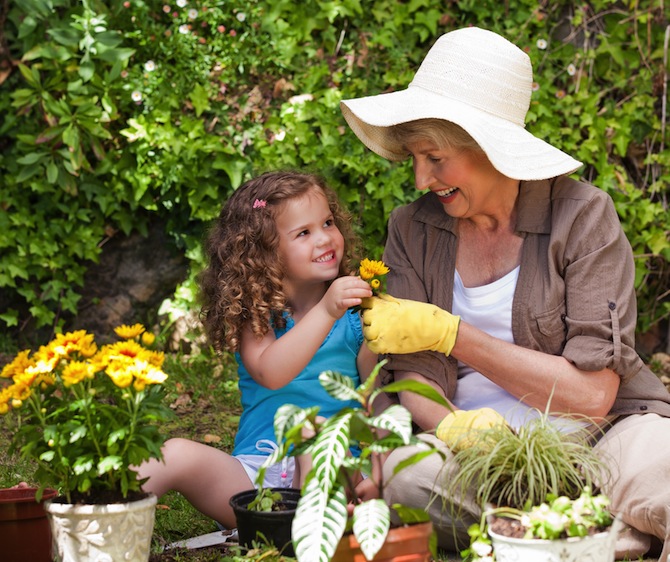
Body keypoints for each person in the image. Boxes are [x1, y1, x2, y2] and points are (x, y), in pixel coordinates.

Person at [339, 26, 670, 560]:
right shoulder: (412, 228)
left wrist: (455, 335)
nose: (421, 178)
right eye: (414, 158)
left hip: (599, 439)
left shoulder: (583, 217)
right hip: (474, 460)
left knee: (664, 465)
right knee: (404, 477)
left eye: (435, 158)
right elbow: (412, 374)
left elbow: (592, 397)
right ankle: (596, 529)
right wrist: (457, 429)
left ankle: (563, 523)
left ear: (490, 148)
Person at [138, 170, 378, 529]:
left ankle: (307, 535)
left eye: (328, 222)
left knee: (317, 435)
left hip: (332, 468)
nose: (325, 238)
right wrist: (328, 310)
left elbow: (375, 406)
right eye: (304, 232)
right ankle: (89, 519)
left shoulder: (358, 320)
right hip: (254, 478)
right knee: (172, 454)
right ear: (265, 252)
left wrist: (375, 475)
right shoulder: (258, 316)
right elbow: (271, 371)